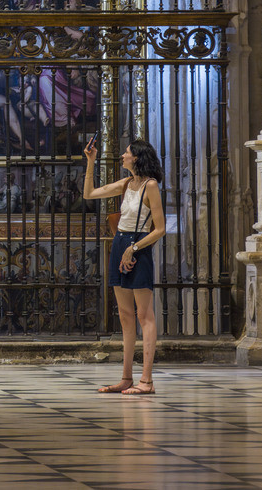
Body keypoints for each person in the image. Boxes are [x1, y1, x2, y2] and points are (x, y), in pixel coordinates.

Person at [84, 137, 166, 396]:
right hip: (120, 242)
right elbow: (89, 194)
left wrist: (135, 248)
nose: (122, 156)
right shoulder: (126, 184)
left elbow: (161, 229)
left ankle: (147, 380)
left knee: (144, 315)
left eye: (127, 153)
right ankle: (126, 377)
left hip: (137, 246)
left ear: (137, 158)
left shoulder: (150, 186)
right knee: (125, 315)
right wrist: (90, 162)